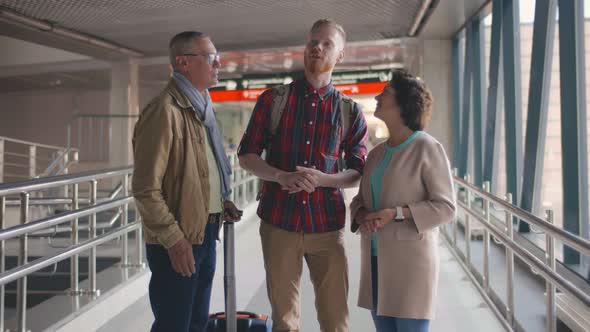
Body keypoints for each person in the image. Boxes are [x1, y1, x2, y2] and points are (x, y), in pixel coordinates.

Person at [238, 19, 368, 332]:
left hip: (327, 227)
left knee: (335, 320)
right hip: (279, 223)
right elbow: (247, 155)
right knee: (284, 321)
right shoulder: (274, 100)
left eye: (326, 44)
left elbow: (358, 170)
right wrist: (279, 176)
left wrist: (325, 179)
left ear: (339, 56)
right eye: (312, 42)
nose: (317, 48)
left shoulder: (350, 111)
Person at [132, 31, 242, 332]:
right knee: (174, 324)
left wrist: (221, 201)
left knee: (197, 322)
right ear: (182, 62)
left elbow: (200, 170)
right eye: (210, 57)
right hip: (179, 238)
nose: (218, 63)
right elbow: (145, 188)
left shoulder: (201, 109)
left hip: (204, 229)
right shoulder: (164, 111)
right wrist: (173, 238)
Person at [350, 69, 456, 332]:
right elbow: (359, 200)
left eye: (385, 93)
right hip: (375, 264)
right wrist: (361, 214)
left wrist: (397, 213)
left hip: (411, 266)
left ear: (404, 103)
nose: (377, 96)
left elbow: (446, 208)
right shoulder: (375, 155)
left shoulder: (427, 148)